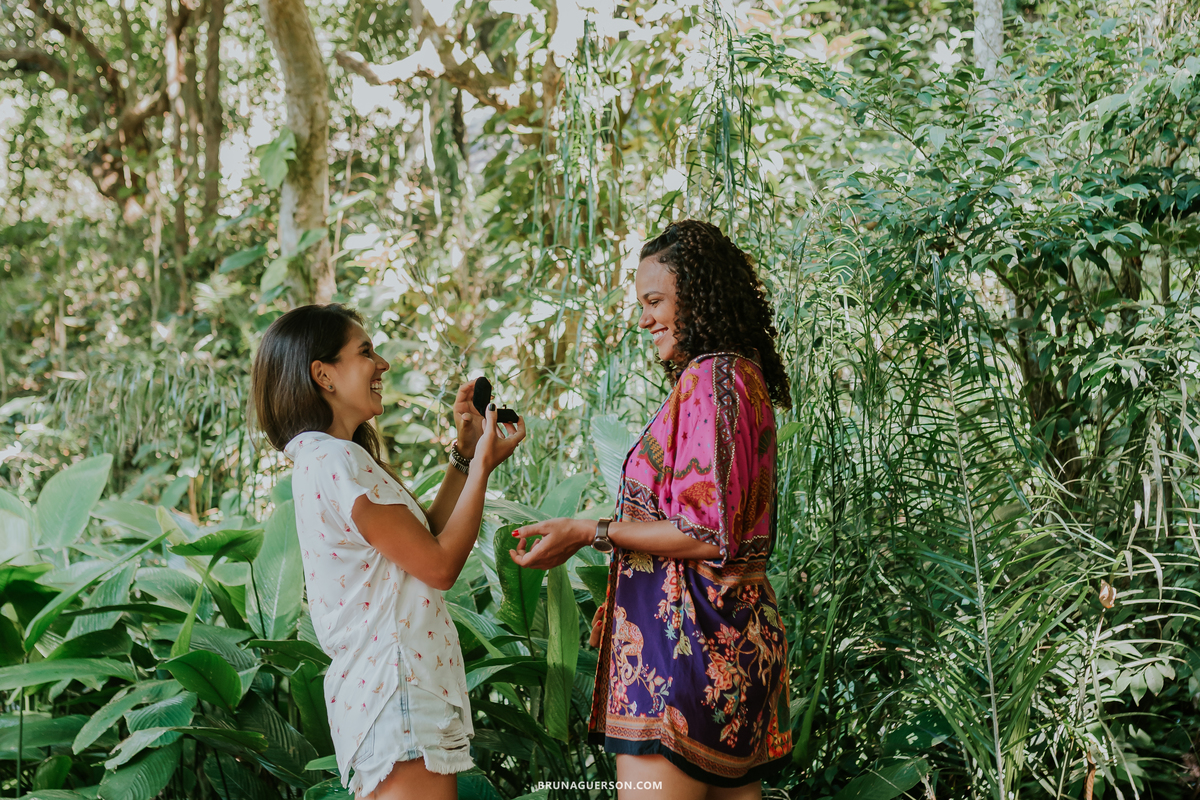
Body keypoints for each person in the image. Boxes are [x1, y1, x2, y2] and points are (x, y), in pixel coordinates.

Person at [509, 221, 793, 798]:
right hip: (734, 648)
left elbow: (706, 532)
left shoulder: (711, 379)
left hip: (682, 656)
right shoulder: (744, 378)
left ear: (699, 295)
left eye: (656, 301)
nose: (645, 320)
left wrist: (592, 530)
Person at [251, 304, 525, 800]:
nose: (383, 365)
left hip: (387, 693)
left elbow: (423, 543)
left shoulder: (329, 458)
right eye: (366, 353)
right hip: (397, 690)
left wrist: (464, 457)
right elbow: (440, 566)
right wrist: (481, 468)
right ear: (323, 375)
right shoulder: (337, 461)